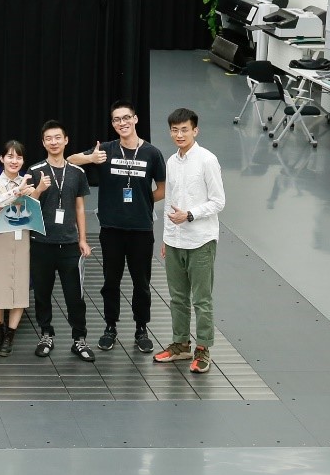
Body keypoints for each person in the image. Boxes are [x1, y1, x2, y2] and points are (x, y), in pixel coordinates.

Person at [69, 100, 167, 353]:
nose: (122, 123)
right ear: (113, 124)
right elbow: (69, 159)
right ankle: (110, 327)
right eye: (116, 120)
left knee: (141, 283)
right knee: (110, 282)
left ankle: (141, 328)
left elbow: (162, 189)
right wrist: (91, 158)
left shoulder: (152, 153)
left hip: (141, 229)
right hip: (112, 229)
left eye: (126, 118)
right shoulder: (106, 149)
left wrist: (142, 201)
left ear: (135, 119)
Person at [154, 108, 226, 374]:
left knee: (202, 300)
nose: (179, 134)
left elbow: (219, 201)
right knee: (177, 298)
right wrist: (166, 237)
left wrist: (190, 215)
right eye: (175, 130)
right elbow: (169, 202)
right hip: (175, 241)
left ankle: (203, 349)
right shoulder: (172, 162)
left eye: (184, 129)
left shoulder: (207, 160)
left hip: (201, 241)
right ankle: (181, 345)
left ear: (195, 130)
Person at [28, 120, 94, 361]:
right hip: (41, 243)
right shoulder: (35, 170)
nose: (53, 142)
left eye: (58, 138)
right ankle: (46, 334)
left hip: (69, 244)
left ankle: (79, 339)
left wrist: (83, 239)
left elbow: (80, 207)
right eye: (49, 138)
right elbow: (28, 205)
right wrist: (39, 189)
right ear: (43, 142)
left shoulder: (77, 172)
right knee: (42, 294)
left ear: (66, 140)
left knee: (75, 295)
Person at [0, 140, 43, 357]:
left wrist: (37, 191)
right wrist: (17, 191)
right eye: (10, 156)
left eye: (18, 157)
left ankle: (10, 334)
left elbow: (33, 210)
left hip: (20, 240)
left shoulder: (28, 184)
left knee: (19, 286)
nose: (14, 161)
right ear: (2, 159)